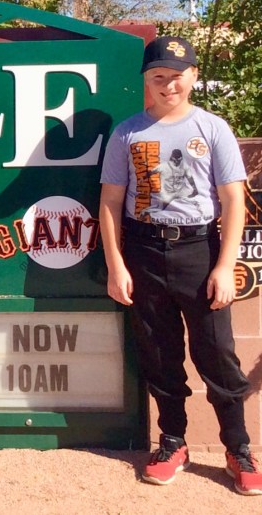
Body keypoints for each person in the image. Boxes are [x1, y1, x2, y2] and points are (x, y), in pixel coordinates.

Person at [99, 35, 262, 496]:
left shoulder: (213, 128)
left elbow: (234, 201)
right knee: (159, 355)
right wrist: (116, 264)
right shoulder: (127, 133)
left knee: (217, 356)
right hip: (145, 252)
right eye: (158, 76)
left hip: (200, 251)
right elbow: (110, 202)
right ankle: (172, 443)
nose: (168, 84)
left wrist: (224, 266)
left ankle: (238, 447)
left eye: (176, 75)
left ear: (192, 75)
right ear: (146, 80)